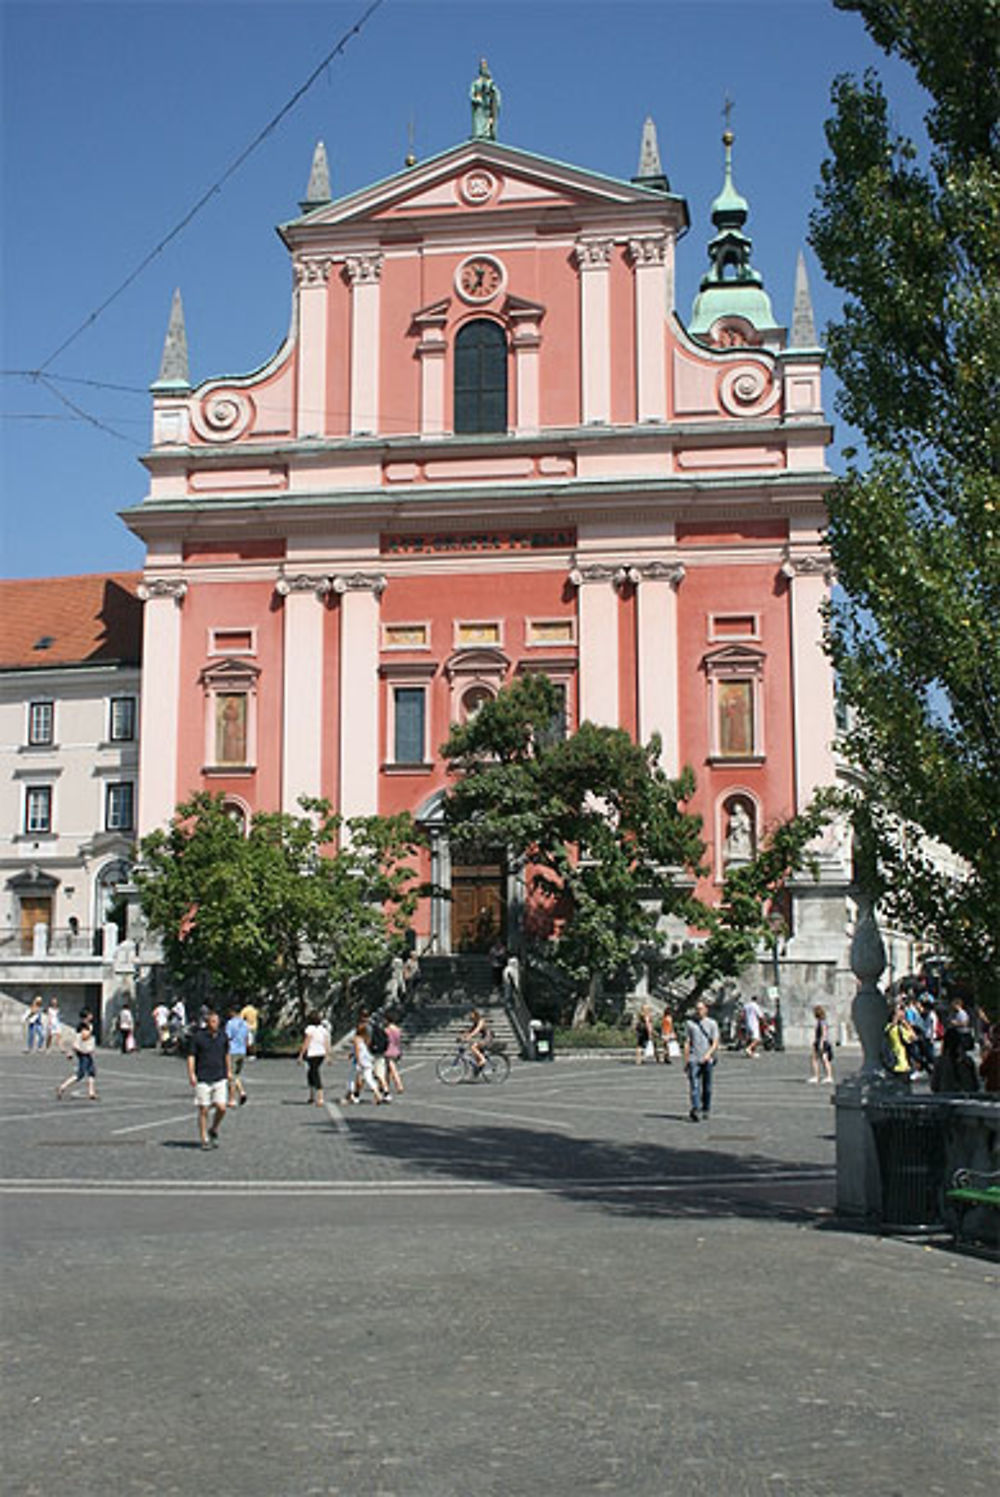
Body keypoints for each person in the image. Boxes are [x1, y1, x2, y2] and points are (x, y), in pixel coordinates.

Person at [186, 1009, 231, 1150]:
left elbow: (227, 1054)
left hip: (219, 1076)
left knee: (222, 1107)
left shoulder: (223, 1036)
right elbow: (191, 1056)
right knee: (204, 1109)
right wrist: (191, 1074)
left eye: (217, 1021)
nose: (215, 1024)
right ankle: (204, 1138)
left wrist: (228, 1071)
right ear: (207, 1023)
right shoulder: (198, 1037)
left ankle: (214, 1128)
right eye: (212, 1021)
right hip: (203, 1077)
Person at [684, 999, 720, 1122]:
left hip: (707, 1058)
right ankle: (695, 1108)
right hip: (694, 1058)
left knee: (707, 1086)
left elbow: (715, 1042)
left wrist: (708, 1054)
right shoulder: (690, 1024)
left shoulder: (712, 1024)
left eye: (700, 1009)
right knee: (694, 1085)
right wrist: (686, 1059)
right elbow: (687, 1042)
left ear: (706, 1010)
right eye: (697, 1009)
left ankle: (706, 1108)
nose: (698, 1011)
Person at [56, 1015, 99, 1102]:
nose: (87, 1032)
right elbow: (76, 1045)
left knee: (91, 1073)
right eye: (86, 1030)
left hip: (87, 1054)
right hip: (84, 1055)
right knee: (80, 1075)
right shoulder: (80, 1035)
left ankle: (91, 1092)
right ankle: (62, 1087)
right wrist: (71, 1053)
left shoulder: (86, 1034)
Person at [930, 1027, 979, 1095]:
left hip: (945, 1099)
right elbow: (975, 1086)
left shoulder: (940, 1062)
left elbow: (934, 1086)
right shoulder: (968, 1062)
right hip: (966, 1100)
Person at [297, 1011, 331, 1107]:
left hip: (312, 1053)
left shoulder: (309, 1029)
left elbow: (307, 1042)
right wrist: (328, 1055)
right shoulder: (323, 1029)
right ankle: (312, 1095)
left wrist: (301, 1054)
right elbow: (326, 1042)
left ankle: (320, 1097)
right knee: (311, 1072)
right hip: (321, 1053)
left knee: (314, 1073)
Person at [350, 1021, 386, 1105]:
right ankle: (377, 1094)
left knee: (354, 1078)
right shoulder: (366, 1038)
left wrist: (357, 1061)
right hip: (368, 1060)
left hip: (361, 1061)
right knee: (368, 1078)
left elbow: (357, 1051)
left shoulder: (356, 1039)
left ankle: (353, 1095)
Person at [224, 1007, 250, 1106]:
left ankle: (231, 1099)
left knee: (230, 1075)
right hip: (242, 1051)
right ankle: (242, 1092)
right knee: (236, 1075)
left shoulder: (230, 1023)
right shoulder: (245, 1024)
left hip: (232, 1050)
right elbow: (247, 1038)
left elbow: (228, 1037)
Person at [808, 1005, 834, 1084]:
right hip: (822, 1042)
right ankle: (827, 1076)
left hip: (821, 1042)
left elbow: (823, 1033)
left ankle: (818, 1076)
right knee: (822, 1059)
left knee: (818, 1059)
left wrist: (821, 1043)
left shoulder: (821, 1022)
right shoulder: (823, 1021)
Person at [461, 1010, 491, 1074]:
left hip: (487, 1038)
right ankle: (477, 1069)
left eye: (471, 1014)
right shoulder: (475, 1022)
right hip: (483, 1038)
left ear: (475, 1014)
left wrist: (470, 1036)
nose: (470, 1016)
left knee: (473, 1047)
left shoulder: (481, 1021)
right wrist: (463, 1036)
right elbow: (470, 1030)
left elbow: (476, 1030)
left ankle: (483, 1060)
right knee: (475, 1055)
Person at [384, 1011, 404, 1095]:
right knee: (387, 1070)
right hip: (396, 1050)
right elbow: (398, 1041)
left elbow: (385, 1041)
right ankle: (385, 1085)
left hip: (388, 1051)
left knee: (392, 1069)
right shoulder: (398, 1030)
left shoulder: (387, 1030)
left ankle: (399, 1085)